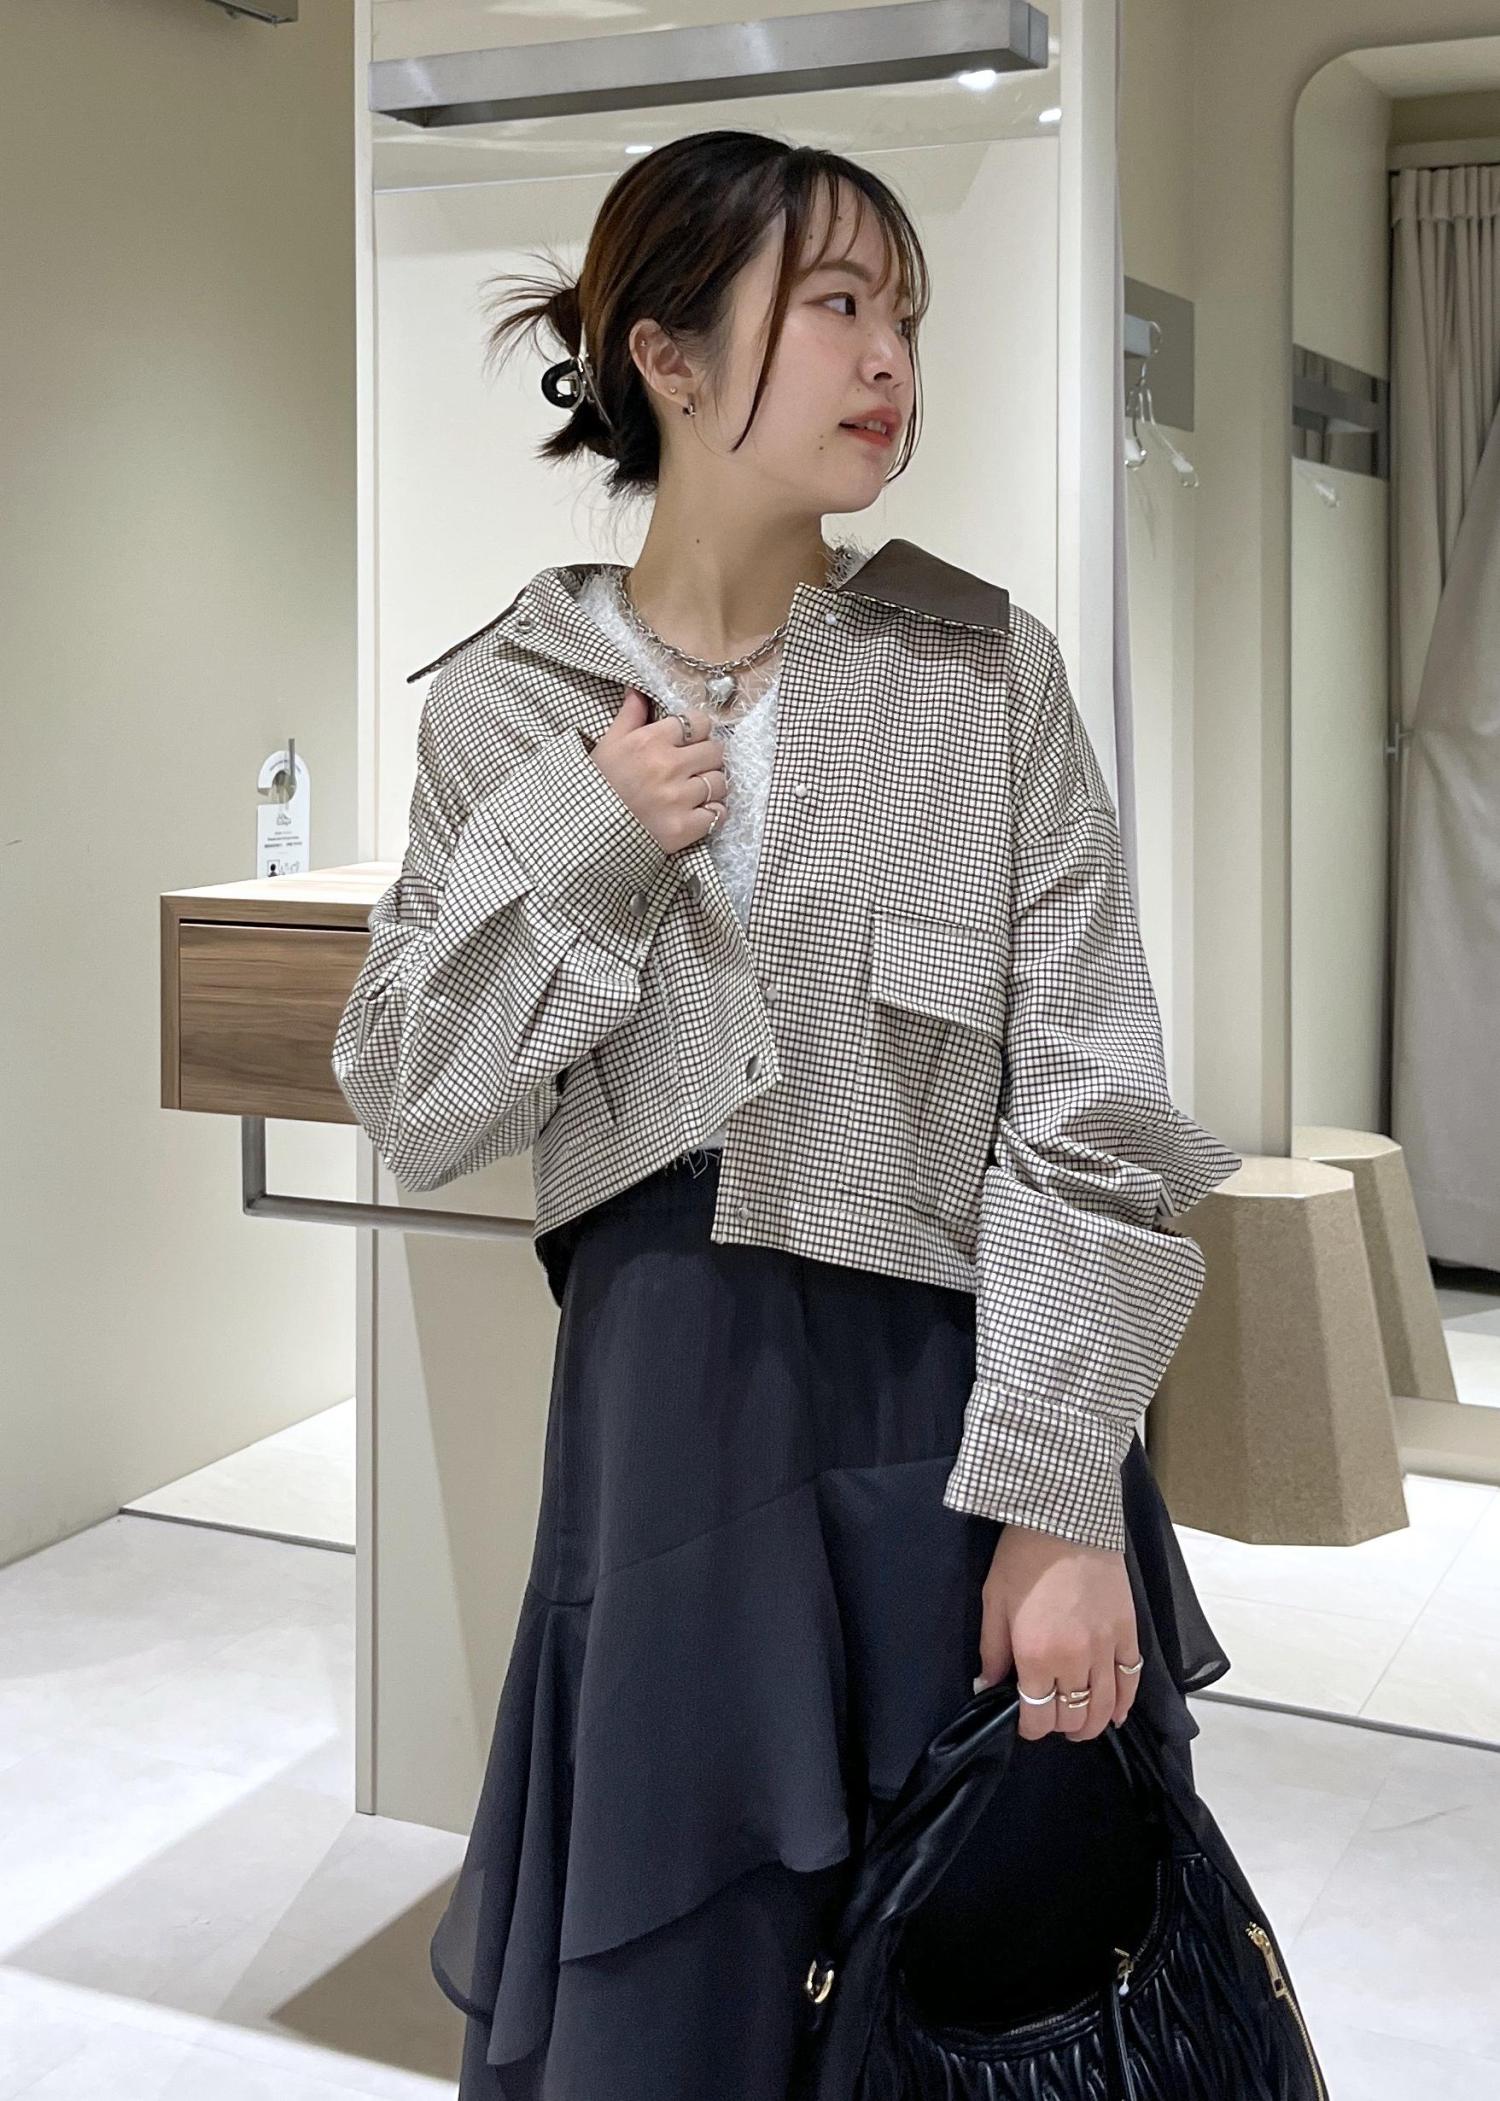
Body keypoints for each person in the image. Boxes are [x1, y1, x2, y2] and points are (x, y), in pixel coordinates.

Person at [334, 131, 1241, 2100]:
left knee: (993, 1997)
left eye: (903, 311)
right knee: (692, 2007)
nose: (889, 355)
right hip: (667, 1441)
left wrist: (1058, 1500)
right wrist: (581, 839)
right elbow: (411, 1093)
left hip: (957, 1432)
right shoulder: (504, 702)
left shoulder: (984, 674)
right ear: (666, 356)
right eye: (836, 304)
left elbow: (1089, 1102)